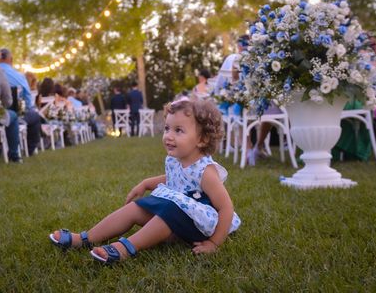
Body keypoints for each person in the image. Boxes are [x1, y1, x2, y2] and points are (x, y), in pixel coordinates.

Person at [48, 99, 241, 263]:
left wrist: (214, 242)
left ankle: (126, 248)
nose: (169, 136)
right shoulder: (176, 160)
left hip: (201, 226)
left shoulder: (207, 172)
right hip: (179, 218)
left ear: (202, 139)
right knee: (137, 207)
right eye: (167, 128)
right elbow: (176, 179)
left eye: (178, 130)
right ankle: (85, 238)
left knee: (169, 211)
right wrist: (147, 183)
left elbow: (226, 208)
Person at [0, 48, 43, 156]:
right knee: (35, 116)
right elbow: (28, 100)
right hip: (12, 114)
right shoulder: (18, 76)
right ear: (11, 60)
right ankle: (29, 149)